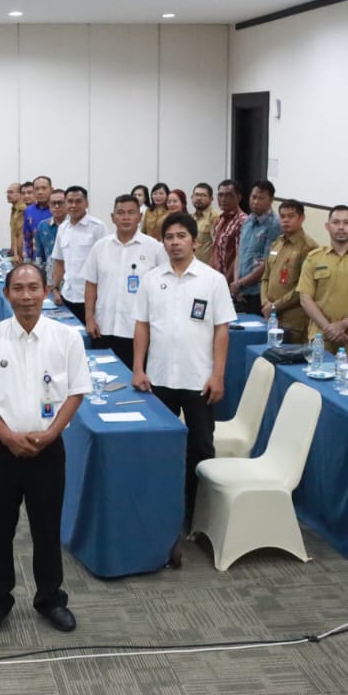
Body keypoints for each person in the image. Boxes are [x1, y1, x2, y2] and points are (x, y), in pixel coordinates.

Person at [0, 263, 91, 634]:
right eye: (19, 288)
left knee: (47, 528)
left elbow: (77, 392)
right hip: (1, 451)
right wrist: (6, 436)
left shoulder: (67, 338)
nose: (27, 296)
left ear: (46, 291)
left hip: (48, 450)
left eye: (34, 288)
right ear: (7, 293)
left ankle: (50, 598)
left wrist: (50, 434)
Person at [132, 212, 236, 528]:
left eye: (181, 236)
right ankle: (162, 510)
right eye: (169, 237)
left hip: (199, 379)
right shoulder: (152, 279)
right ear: (162, 242)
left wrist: (218, 374)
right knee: (160, 447)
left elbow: (221, 331)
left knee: (201, 448)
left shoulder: (213, 280)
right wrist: (137, 368)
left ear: (195, 240)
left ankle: (198, 515)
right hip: (159, 378)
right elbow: (142, 326)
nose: (175, 243)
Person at [82, 194, 167, 369]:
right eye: (120, 213)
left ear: (140, 217)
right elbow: (91, 284)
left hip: (137, 331)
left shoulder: (155, 248)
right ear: (113, 217)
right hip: (103, 327)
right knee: (103, 378)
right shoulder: (100, 247)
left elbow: (164, 289)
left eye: (131, 212)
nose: (126, 217)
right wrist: (89, 318)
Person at [297, 205, 348, 362]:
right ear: (327, 226)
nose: (341, 227)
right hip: (320, 338)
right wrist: (329, 328)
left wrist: (343, 325)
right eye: (336, 222)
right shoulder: (314, 258)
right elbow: (305, 299)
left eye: (346, 223)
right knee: (318, 383)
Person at [259, 200, 319, 344]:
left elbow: (303, 288)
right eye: (282, 216)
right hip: (271, 317)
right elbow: (265, 276)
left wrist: (275, 306)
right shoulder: (277, 243)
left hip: (293, 322)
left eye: (290, 216)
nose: (285, 220)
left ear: (302, 218)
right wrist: (265, 302)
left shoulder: (308, 247)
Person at [50, 185, 107, 325]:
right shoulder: (63, 228)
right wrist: (55, 288)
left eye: (78, 201)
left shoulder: (98, 227)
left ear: (86, 203)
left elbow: (106, 264)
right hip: (68, 295)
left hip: (92, 299)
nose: (73, 205)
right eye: (69, 201)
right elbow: (59, 261)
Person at [232, 180, 276, 314]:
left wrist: (240, 283)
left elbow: (268, 263)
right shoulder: (248, 221)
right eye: (253, 197)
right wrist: (236, 283)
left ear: (271, 200)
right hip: (240, 291)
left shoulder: (274, 225)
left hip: (258, 292)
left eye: (261, 198)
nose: (255, 202)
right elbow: (240, 253)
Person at [210, 179, 246, 286]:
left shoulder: (242, 221)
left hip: (229, 281)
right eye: (220, 195)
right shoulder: (220, 219)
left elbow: (239, 256)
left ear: (238, 197)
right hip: (214, 277)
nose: (223, 199)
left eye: (228, 195)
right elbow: (216, 251)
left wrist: (226, 281)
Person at [35, 190, 67, 283]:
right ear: (49, 205)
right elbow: (39, 255)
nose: (56, 206)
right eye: (53, 203)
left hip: (71, 279)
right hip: (50, 279)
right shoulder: (42, 226)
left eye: (60, 203)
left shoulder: (74, 227)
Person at [22, 176, 53, 262]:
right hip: (37, 260)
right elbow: (27, 238)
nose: (40, 192)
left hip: (57, 260)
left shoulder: (58, 210)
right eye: (37, 189)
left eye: (44, 188)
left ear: (51, 189)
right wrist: (27, 260)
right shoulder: (29, 211)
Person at [191, 183, 219, 265]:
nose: (199, 198)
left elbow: (217, 246)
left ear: (211, 199)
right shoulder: (191, 217)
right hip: (192, 265)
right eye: (196, 195)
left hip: (206, 267)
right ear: (192, 197)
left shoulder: (214, 217)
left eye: (203, 195)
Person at [6, 182, 25, 260]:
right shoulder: (14, 209)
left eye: (11, 192)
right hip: (16, 253)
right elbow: (14, 232)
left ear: (20, 194)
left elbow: (20, 234)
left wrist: (17, 254)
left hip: (22, 255)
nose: (8, 195)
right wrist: (13, 249)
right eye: (7, 192)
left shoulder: (23, 209)